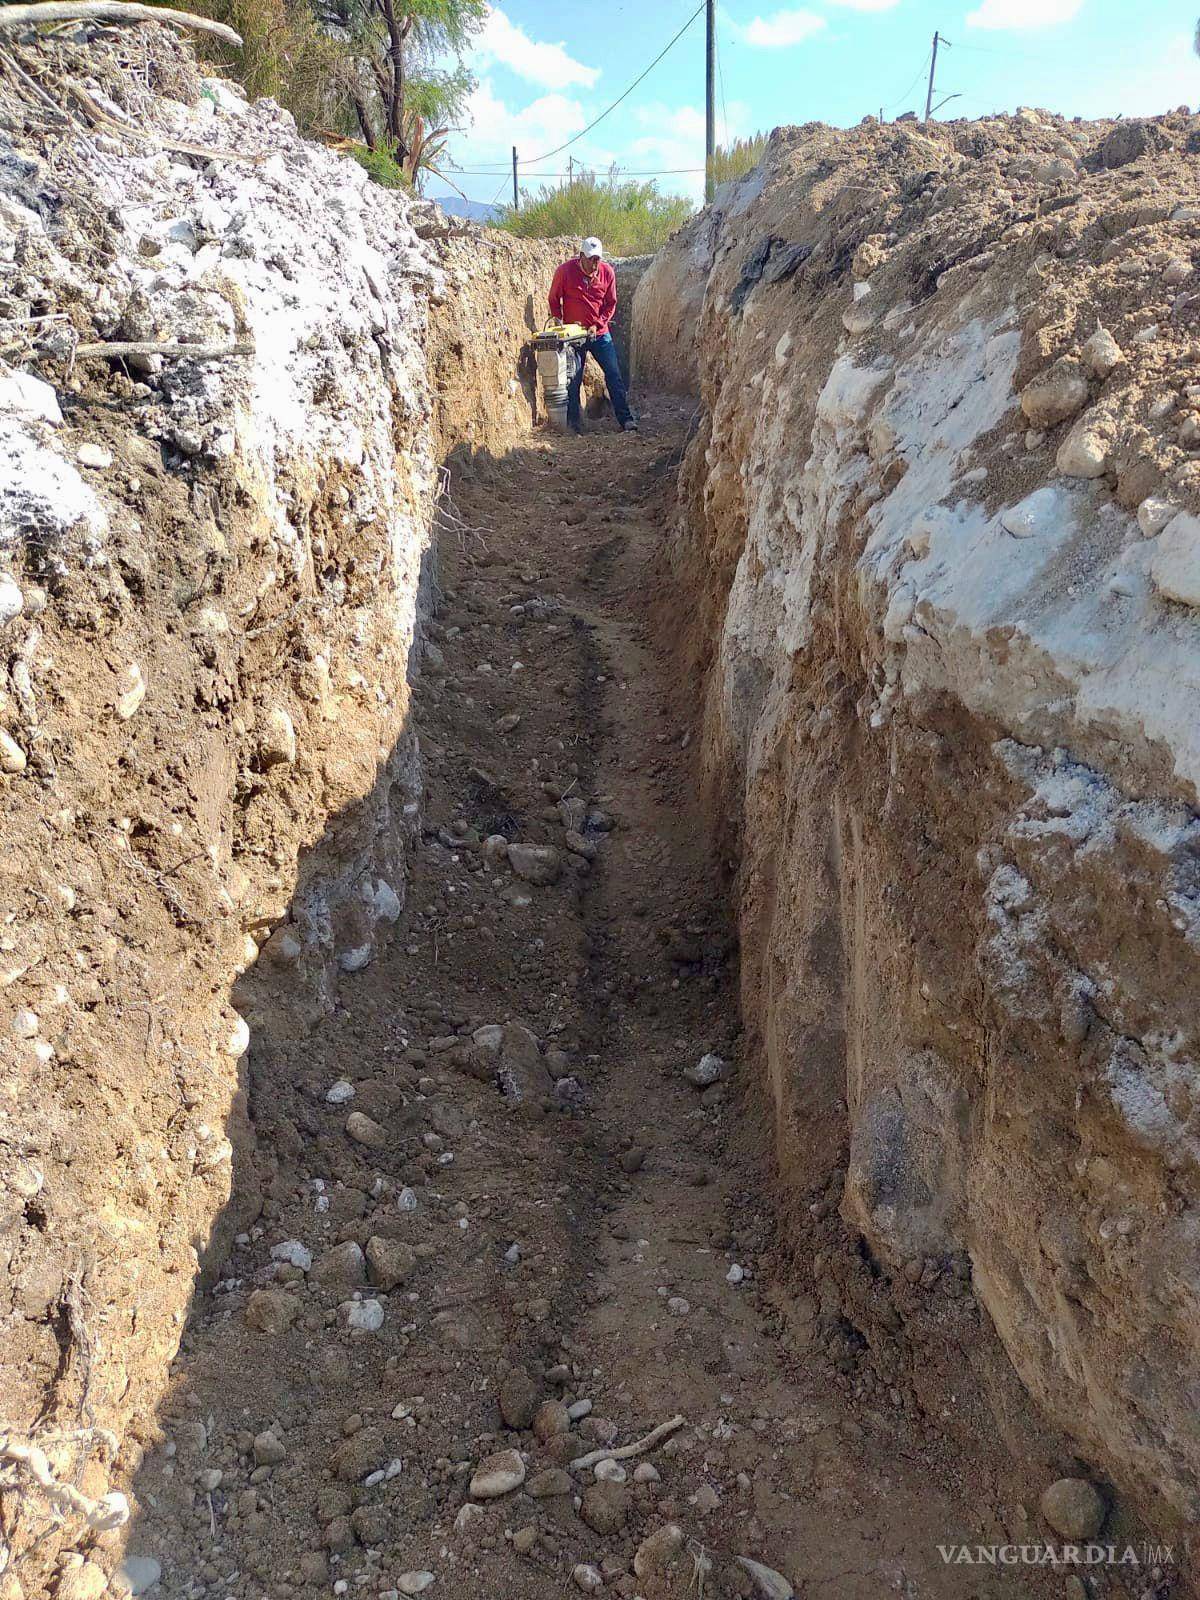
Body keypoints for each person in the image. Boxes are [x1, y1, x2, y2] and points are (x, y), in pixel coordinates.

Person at [547, 236, 637, 434]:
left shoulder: (607, 273)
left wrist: (598, 324)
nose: (595, 263)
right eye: (591, 259)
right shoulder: (565, 271)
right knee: (573, 378)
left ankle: (625, 419)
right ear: (581, 256)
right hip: (575, 335)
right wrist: (558, 320)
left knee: (613, 374)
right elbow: (554, 298)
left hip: (599, 333)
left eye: (597, 259)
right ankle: (574, 425)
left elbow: (611, 304)